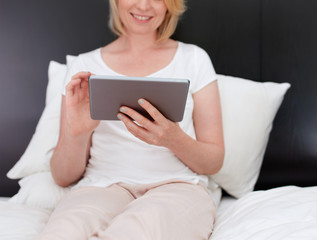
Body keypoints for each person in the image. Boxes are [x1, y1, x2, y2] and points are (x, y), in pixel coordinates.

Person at [37, 0, 224, 239]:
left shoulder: (194, 59)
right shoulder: (84, 66)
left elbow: (214, 162)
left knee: (135, 231)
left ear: (170, 4)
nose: (144, 5)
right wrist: (78, 132)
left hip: (177, 187)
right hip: (101, 188)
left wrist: (174, 140)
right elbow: (62, 177)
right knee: (63, 232)